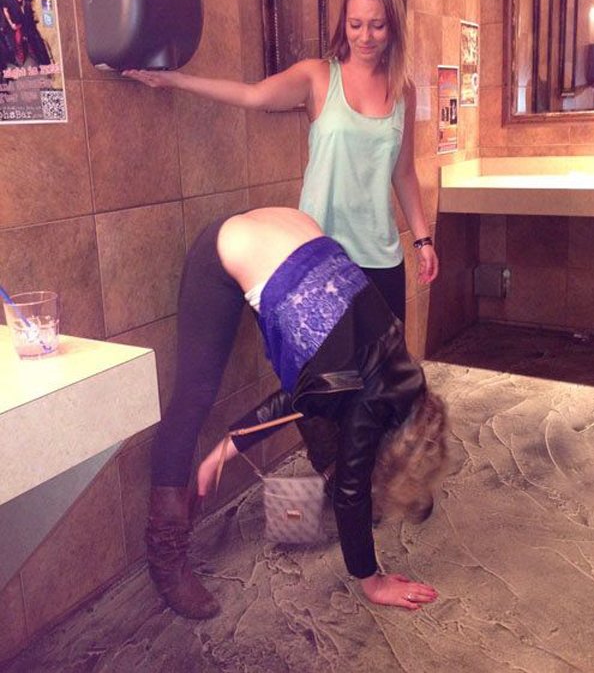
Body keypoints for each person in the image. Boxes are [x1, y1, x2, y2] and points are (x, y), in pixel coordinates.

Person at [146, 207, 447, 620]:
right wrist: (372, 581)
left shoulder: (406, 374)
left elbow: (311, 394)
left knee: (315, 381)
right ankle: (165, 557)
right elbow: (350, 490)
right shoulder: (364, 404)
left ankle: (329, 469)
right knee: (195, 394)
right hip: (227, 246)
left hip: (294, 230)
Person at [123, 0, 439, 321]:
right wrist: (177, 81)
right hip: (320, 252)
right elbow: (253, 95)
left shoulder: (403, 90)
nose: (365, 36)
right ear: (344, 24)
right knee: (327, 372)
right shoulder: (317, 76)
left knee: (384, 372)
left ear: (393, 26)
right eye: (355, 24)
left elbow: (404, 172)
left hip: (381, 255)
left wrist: (423, 240)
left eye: (377, 25)